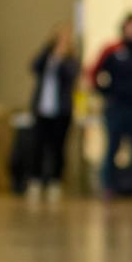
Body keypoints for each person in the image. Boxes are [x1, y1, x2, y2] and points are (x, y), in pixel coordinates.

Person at [91, 12, 132, 199]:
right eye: (131, 26)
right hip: (117, 107)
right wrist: (106, 93)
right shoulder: (112, 50)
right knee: (112, 147)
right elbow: (94, 73)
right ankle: (108, 186)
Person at [26, 23, 80, 202]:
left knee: (57, 148)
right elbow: (33, 66)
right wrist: (50, 52)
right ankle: (35, 180)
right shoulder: (46, 57)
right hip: (42, 110)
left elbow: (70, 76)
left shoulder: (71, 60)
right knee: (37, 146)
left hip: (61, 111)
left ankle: (55, 182)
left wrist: (61, 59)